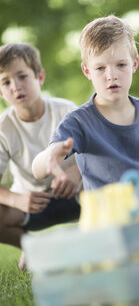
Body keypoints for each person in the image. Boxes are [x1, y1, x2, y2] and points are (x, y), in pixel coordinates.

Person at [32, 15, 139, 202]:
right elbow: (37, 170)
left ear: (134, 64)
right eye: (100, 68)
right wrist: (50, 156)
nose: (111, 75)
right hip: (107, 222)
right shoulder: (78, 122)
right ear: (87, 71)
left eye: (121, 65)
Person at [0, 43, 81, 270]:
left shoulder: (67, 111)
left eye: (22, 76)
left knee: (107, 181)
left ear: (40, 76)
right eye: (5, 82)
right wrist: (17, 199)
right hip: (31, 204)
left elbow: (99, 152)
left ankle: (92, 239)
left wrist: (76, 173)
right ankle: (31, 248)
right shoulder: (3, 128)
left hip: (77, 193)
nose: (15, 86)